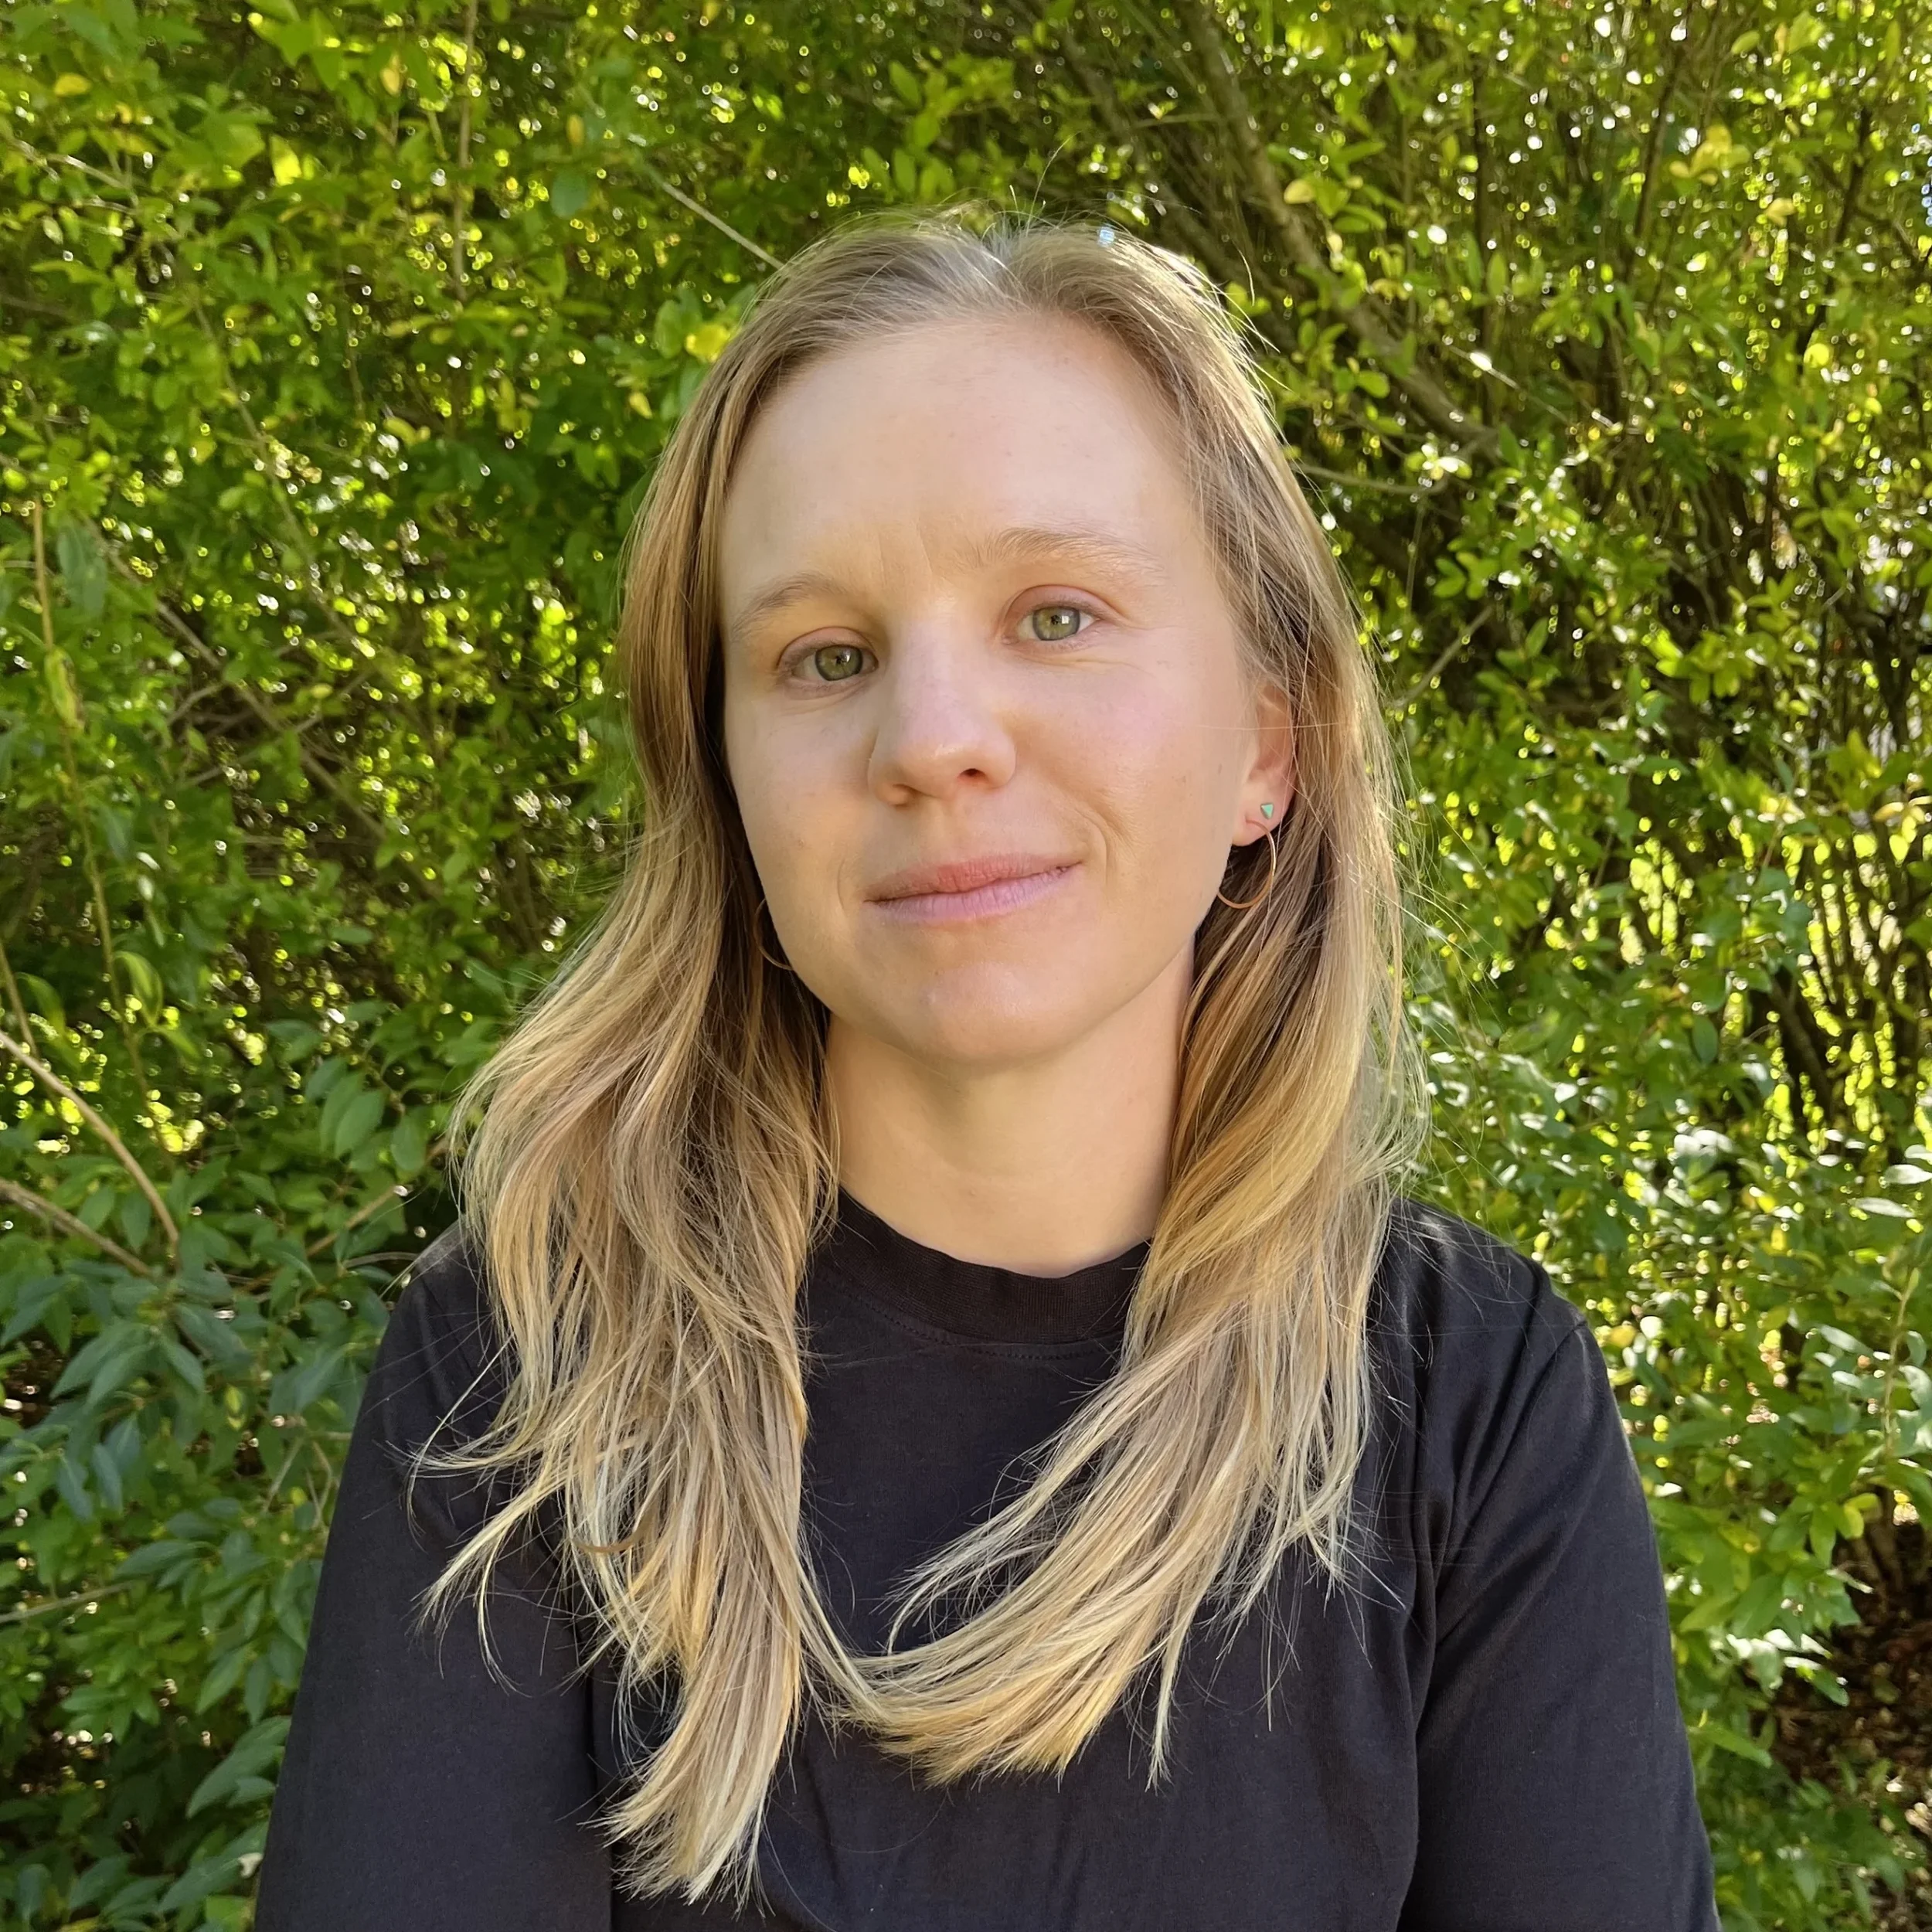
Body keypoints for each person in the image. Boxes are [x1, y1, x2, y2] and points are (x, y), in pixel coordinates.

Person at [255, 212, 1720, 1930]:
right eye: (824, 655)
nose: (932, 735)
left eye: (1055, 612)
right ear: (726, 780)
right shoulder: (533, 1364)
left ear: (1265, 741)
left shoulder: (1464, 1402)